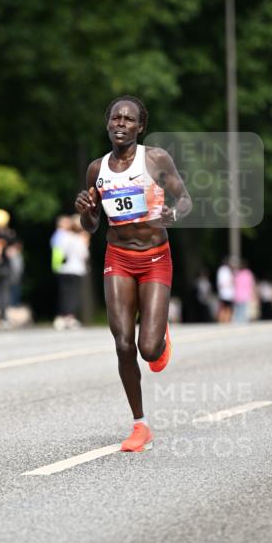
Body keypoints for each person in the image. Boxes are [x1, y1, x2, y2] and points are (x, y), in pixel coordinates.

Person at [75, 96, 192, 452]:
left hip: (156, 257)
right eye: (115, 118)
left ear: (140, 127)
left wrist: (175, 213)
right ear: (107, 123)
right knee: (123, 343)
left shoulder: (154, 159)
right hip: (118, 258)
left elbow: (184, 198)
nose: (120, 124)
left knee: (148, 348)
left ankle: (159, 338)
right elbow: (92, 224)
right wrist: (85, 211)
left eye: (128, 119)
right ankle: (140, 424)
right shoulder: (97, 170)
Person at [51, 214, 90, 329]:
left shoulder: (63, 236)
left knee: (64, 293)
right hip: (75, 269)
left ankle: (61, 316)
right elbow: (84, 254)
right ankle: (70, 317)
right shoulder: (79, 239)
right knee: (73, 294)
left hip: (63, 269)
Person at [233, 259, 256, 323]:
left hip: (237, 295)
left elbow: (234, 283)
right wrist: (253, 294)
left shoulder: (237, 273)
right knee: (244, 311)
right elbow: (251, 285)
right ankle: (242, 323)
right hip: (245, 295)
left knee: (238, 311)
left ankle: (237, 322)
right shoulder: (248, 273)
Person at [216, 257, 235, 323]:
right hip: (227, 292)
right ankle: (225, 319)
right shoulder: (226, 270)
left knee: (223, 307)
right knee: (227, 307)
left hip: (223, 292)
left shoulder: (220, 270)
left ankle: (223, 319)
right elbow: (230, 281)